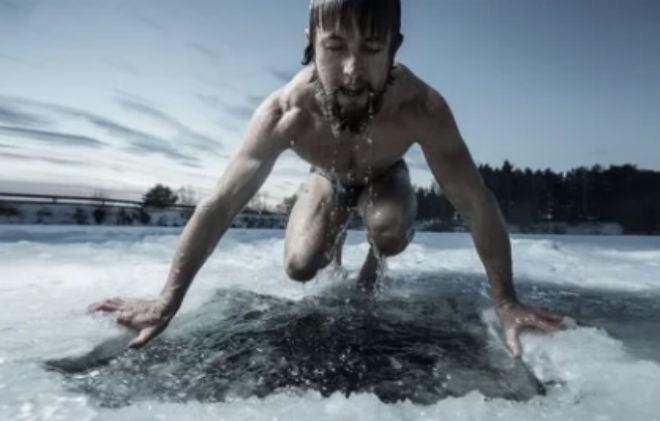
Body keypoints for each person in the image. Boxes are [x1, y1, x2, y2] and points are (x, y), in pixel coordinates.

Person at [89, 0, 565, 357]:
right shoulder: (287, 111)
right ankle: (332, 228)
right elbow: (221, 203)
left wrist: (507, 301)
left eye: (372, 49)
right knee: (300, 266)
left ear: (394, 49)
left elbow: (475, 201)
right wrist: (167, 300)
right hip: (326, 178)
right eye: (335, 48)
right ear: (310, 45)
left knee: (389, 231)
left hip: (385, 178)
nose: (353, 71)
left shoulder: (422, 108)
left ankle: (377, 258)